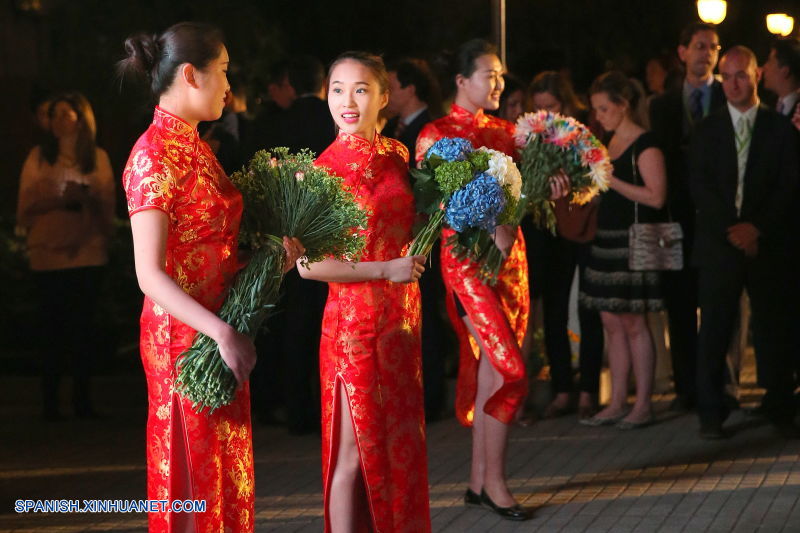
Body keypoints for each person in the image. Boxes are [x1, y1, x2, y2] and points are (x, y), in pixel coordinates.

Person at [118, 22, 304, 531]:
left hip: (220, 333)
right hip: (186, 342)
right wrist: (221, 331)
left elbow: (213, 249)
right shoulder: (154, 155)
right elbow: (148, 275)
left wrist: (266, 262)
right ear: (189, 75)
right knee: (192, 482)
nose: (229, 85)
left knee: (224, 475)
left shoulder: (196, 148)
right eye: (222, 72)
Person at [416, 39, 567, 521]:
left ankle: (480, 482)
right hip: (468, 266)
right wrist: (492, 222)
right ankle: (498, 484)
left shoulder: (510, 132)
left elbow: (532, 198)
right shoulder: (435, 135)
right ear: (461, 81)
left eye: (501, 75)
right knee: (510, 370)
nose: (498, 83)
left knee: (491, 371)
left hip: (512, 263)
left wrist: (552, 186)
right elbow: (438, 206)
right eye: (488, 74)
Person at [297, 51, 430, 532]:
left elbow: (405, 223)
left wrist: (422, 240)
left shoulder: (397, 154)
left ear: (383, 97)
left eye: (360, 89)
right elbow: (308, 265)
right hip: (353, 331)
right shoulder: (320, 171)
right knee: (352, 454)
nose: (347, 101)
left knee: (401, 445)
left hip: (401, 322)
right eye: (336, 89)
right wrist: (385, 269)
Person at [689, 46, 800, 440]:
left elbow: (789, 186)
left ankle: (780, 403)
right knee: (716, 327)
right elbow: (700, 187)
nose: (734, 83)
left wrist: (756, 228)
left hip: (767, 244)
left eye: (742, 75)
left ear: (755, 77)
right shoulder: (707, 129)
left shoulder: (779, 129)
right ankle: (711, 410)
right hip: (720, 244)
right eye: (727, 76)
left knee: (773, 325)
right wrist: (733, 229)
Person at [16, 92, 115, 421]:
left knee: (82, 330)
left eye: (66, 114)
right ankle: (50, 404)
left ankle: (83, 401)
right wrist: (59, 200)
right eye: (54, 114)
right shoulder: (39, 157)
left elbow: (108, 210)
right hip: (48, 255)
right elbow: (24, 209)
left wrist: (86, 201)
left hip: (87, 254)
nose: (58, 120)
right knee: (51, 330)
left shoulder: (97, 158)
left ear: (81, 118)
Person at [580, 71, 666, 430]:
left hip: (635, 239)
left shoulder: (646, 144)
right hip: (607, 239)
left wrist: (609, 179)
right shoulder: (608, 141)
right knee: (610, 321)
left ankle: (643, 403)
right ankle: (616, 401)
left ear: (622, 105)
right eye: (596, 109)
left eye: (603, 108)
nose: (598, 116)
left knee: (633, 321)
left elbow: (656, 197)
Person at [649, 22, 725, 413]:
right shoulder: (662, 104)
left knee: (716, 305)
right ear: (682, 53)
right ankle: (685, 389)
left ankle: (718, 384)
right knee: (678, 306)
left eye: (712, 47)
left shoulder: (727, 96)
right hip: (674, 216)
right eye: (698, 46)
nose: (706, 53)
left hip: (716, 219)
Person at [525, 70, 604, 421]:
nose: (547, 116)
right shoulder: (530, 136)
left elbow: (600, 176)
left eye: (552, 107)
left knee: (588, 309)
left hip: (584, 227)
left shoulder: (584, 133)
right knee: (554, 312)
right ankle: (562, 389)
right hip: (547, 230)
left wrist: (572, 185)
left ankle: (588, 389)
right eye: (539, 108)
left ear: (567, 103)